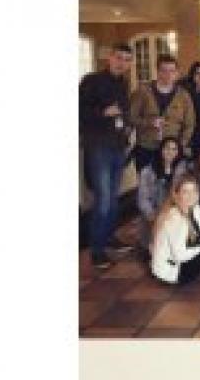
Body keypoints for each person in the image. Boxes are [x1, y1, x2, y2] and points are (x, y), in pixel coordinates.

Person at [79, 43, 135, 268]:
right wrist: (103, 112)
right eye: (119, 57)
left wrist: (127, 130)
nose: (122, 63)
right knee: (103, 200)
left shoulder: (123, 83)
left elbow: (122, 114)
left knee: (113, 198)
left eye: (127, 59)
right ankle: (97, 251)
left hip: (117, 147)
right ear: (109, 57)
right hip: (99, 147)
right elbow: (79, 111)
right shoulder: (91, 81)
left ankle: (109, 237)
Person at [130, 55, 196, 171]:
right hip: (146, 147)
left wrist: (181, 144)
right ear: (157, 71)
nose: (168, 74)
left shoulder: (183, 95)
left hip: (172, 150)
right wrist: (149, 122)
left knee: (172, 179)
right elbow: (131, 117)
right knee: (146, 179)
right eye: (164, 70)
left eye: (172, 71)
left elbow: (190, 123)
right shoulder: (143, 92)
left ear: (176, 73)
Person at [136, 137, 188, 260]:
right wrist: (152, 214)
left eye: (174, 149)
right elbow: (142, 198)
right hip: (154, 212)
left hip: (174, 211)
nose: (170, 152)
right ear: (161, 150)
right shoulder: (147, 171)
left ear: (178, 152)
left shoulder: (183, 170)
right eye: (167, 148)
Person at [181, 61, 200, 153]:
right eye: (198, 73)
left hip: (198, 135)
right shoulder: (185, 92)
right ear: (192, 75)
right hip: (185, 134)